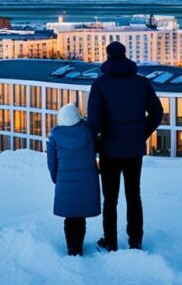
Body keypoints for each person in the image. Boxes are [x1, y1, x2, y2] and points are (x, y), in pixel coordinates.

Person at [86, 41, 163, 252]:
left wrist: (96, 143)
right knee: (133, 195)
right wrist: (141, 134)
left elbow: (94, 121)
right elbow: (157, 113)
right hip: (134, 150)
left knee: (110, 199)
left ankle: (110, 242)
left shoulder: (100, 84)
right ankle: (135, 241)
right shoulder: (142, 82)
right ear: (125, 55)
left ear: (108, 56)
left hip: (109, 150)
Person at [46, 103, 101, 256]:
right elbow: (99, 151)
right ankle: (79, 246)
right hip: (87, 182)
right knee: (80, 217)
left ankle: (72, 247)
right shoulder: (89, 131)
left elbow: (52, 163)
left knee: (70, 218)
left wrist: (57, 180)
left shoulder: (55, 136)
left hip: (65, 182)